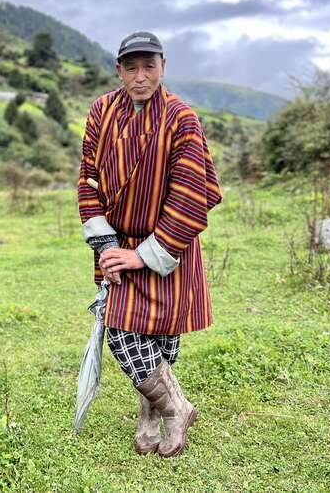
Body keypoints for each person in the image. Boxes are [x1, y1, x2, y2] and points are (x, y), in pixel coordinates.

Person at [77, 31, 222, 457]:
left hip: (168, 246)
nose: (140, 77)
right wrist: (106, 246)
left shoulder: (181, 118)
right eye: (131, 68)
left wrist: (145, 254)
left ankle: (149, 417)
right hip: (117, 243)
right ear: (118, 70)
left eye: (149, 67)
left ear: (163, 66)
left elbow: (192, 193)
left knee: (162, 337)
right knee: (123, 332)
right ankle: (177, 408)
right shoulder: (101, 111)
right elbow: (89, 178)